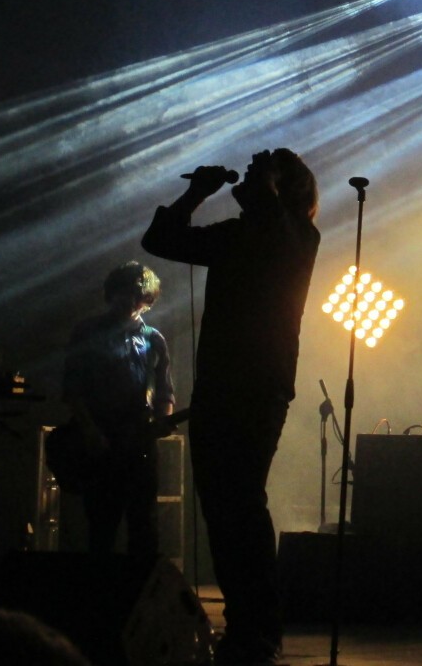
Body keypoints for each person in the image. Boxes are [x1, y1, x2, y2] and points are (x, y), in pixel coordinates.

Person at [142, 149, 321, 666]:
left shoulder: (295, 238)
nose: (249, 178)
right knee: (222, 510)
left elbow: (271, 220)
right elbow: (160, 241)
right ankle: (245, 626)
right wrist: (195, 194)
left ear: (282, 189)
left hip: (258, 389)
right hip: (219, 389)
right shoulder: (238, 236)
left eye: (262, 174)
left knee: (241, 504)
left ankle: (260, 630)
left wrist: (262, 180)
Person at [61, 261, 174, 557]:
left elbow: (164, 392)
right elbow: (72, 389)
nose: (131, 302)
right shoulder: (87, 332)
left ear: (147, 300)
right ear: (112, 294)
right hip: (99, 439)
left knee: (144, 527)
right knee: (102, 525)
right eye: (125, 293)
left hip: (140, 443)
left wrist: (162, 422)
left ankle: (140, 595)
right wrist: (89, 430)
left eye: (138, 296)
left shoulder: (154, 339)